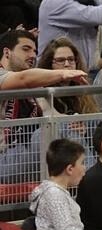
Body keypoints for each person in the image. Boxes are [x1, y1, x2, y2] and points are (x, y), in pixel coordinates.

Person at [0, 30, 88, 183]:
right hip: (4, 159)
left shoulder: (34, 88)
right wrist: (62, 73)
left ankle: (87, 178)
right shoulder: (5, 76)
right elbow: (23, 78)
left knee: (76, 124)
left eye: (35, 51)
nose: (32, 55)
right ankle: (88, 180)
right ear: (7, 53)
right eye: (26, 49)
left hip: (28, 156)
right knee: (43, 133)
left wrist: (76, 123)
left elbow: (51, 114)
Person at [38, 0, 102, 70]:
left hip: (85, 72)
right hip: (53, 71)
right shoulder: (54, 3)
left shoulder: (91, 1)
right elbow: (98, 16)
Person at [36, 37, 100, 115]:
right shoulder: (43, 92)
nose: (67, 64)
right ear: (49, 64)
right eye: (60, 60)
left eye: (71, 59)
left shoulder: (83, 91)